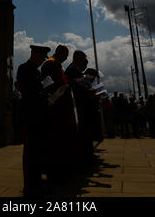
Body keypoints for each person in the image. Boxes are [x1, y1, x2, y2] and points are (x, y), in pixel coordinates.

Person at [41, 45, 78, 182]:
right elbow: (53, 85)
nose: (66, 58)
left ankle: (60, 170)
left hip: (60, 107)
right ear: (59, 53)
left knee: (60, 141)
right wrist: (68, 84)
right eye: (65, 55)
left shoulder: (55, 64)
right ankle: (57, 171)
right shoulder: (51, 64)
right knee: (57, 142)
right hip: (57, 109)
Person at [17, 45, 51, 197]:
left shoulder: (37, 71)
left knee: (38, 152)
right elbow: (28, 91)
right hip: (31, 115)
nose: (44, 60)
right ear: (34, 53)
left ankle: (36, 183)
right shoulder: (24, 68)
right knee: (31, 153)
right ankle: (30, 187)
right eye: (42, 56)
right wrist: (43, 93)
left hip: (39, 114)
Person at [65, 51, 95, 168]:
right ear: (78, 59)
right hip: (78, 106)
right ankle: (83, 161)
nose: (84, 62)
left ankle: (84, 159)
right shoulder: (72, 70)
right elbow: (76, 87)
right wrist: (87, 89)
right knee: (82, 135)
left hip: (81, 105)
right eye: (83, 59)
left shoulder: (74, 70)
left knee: (85, 135)